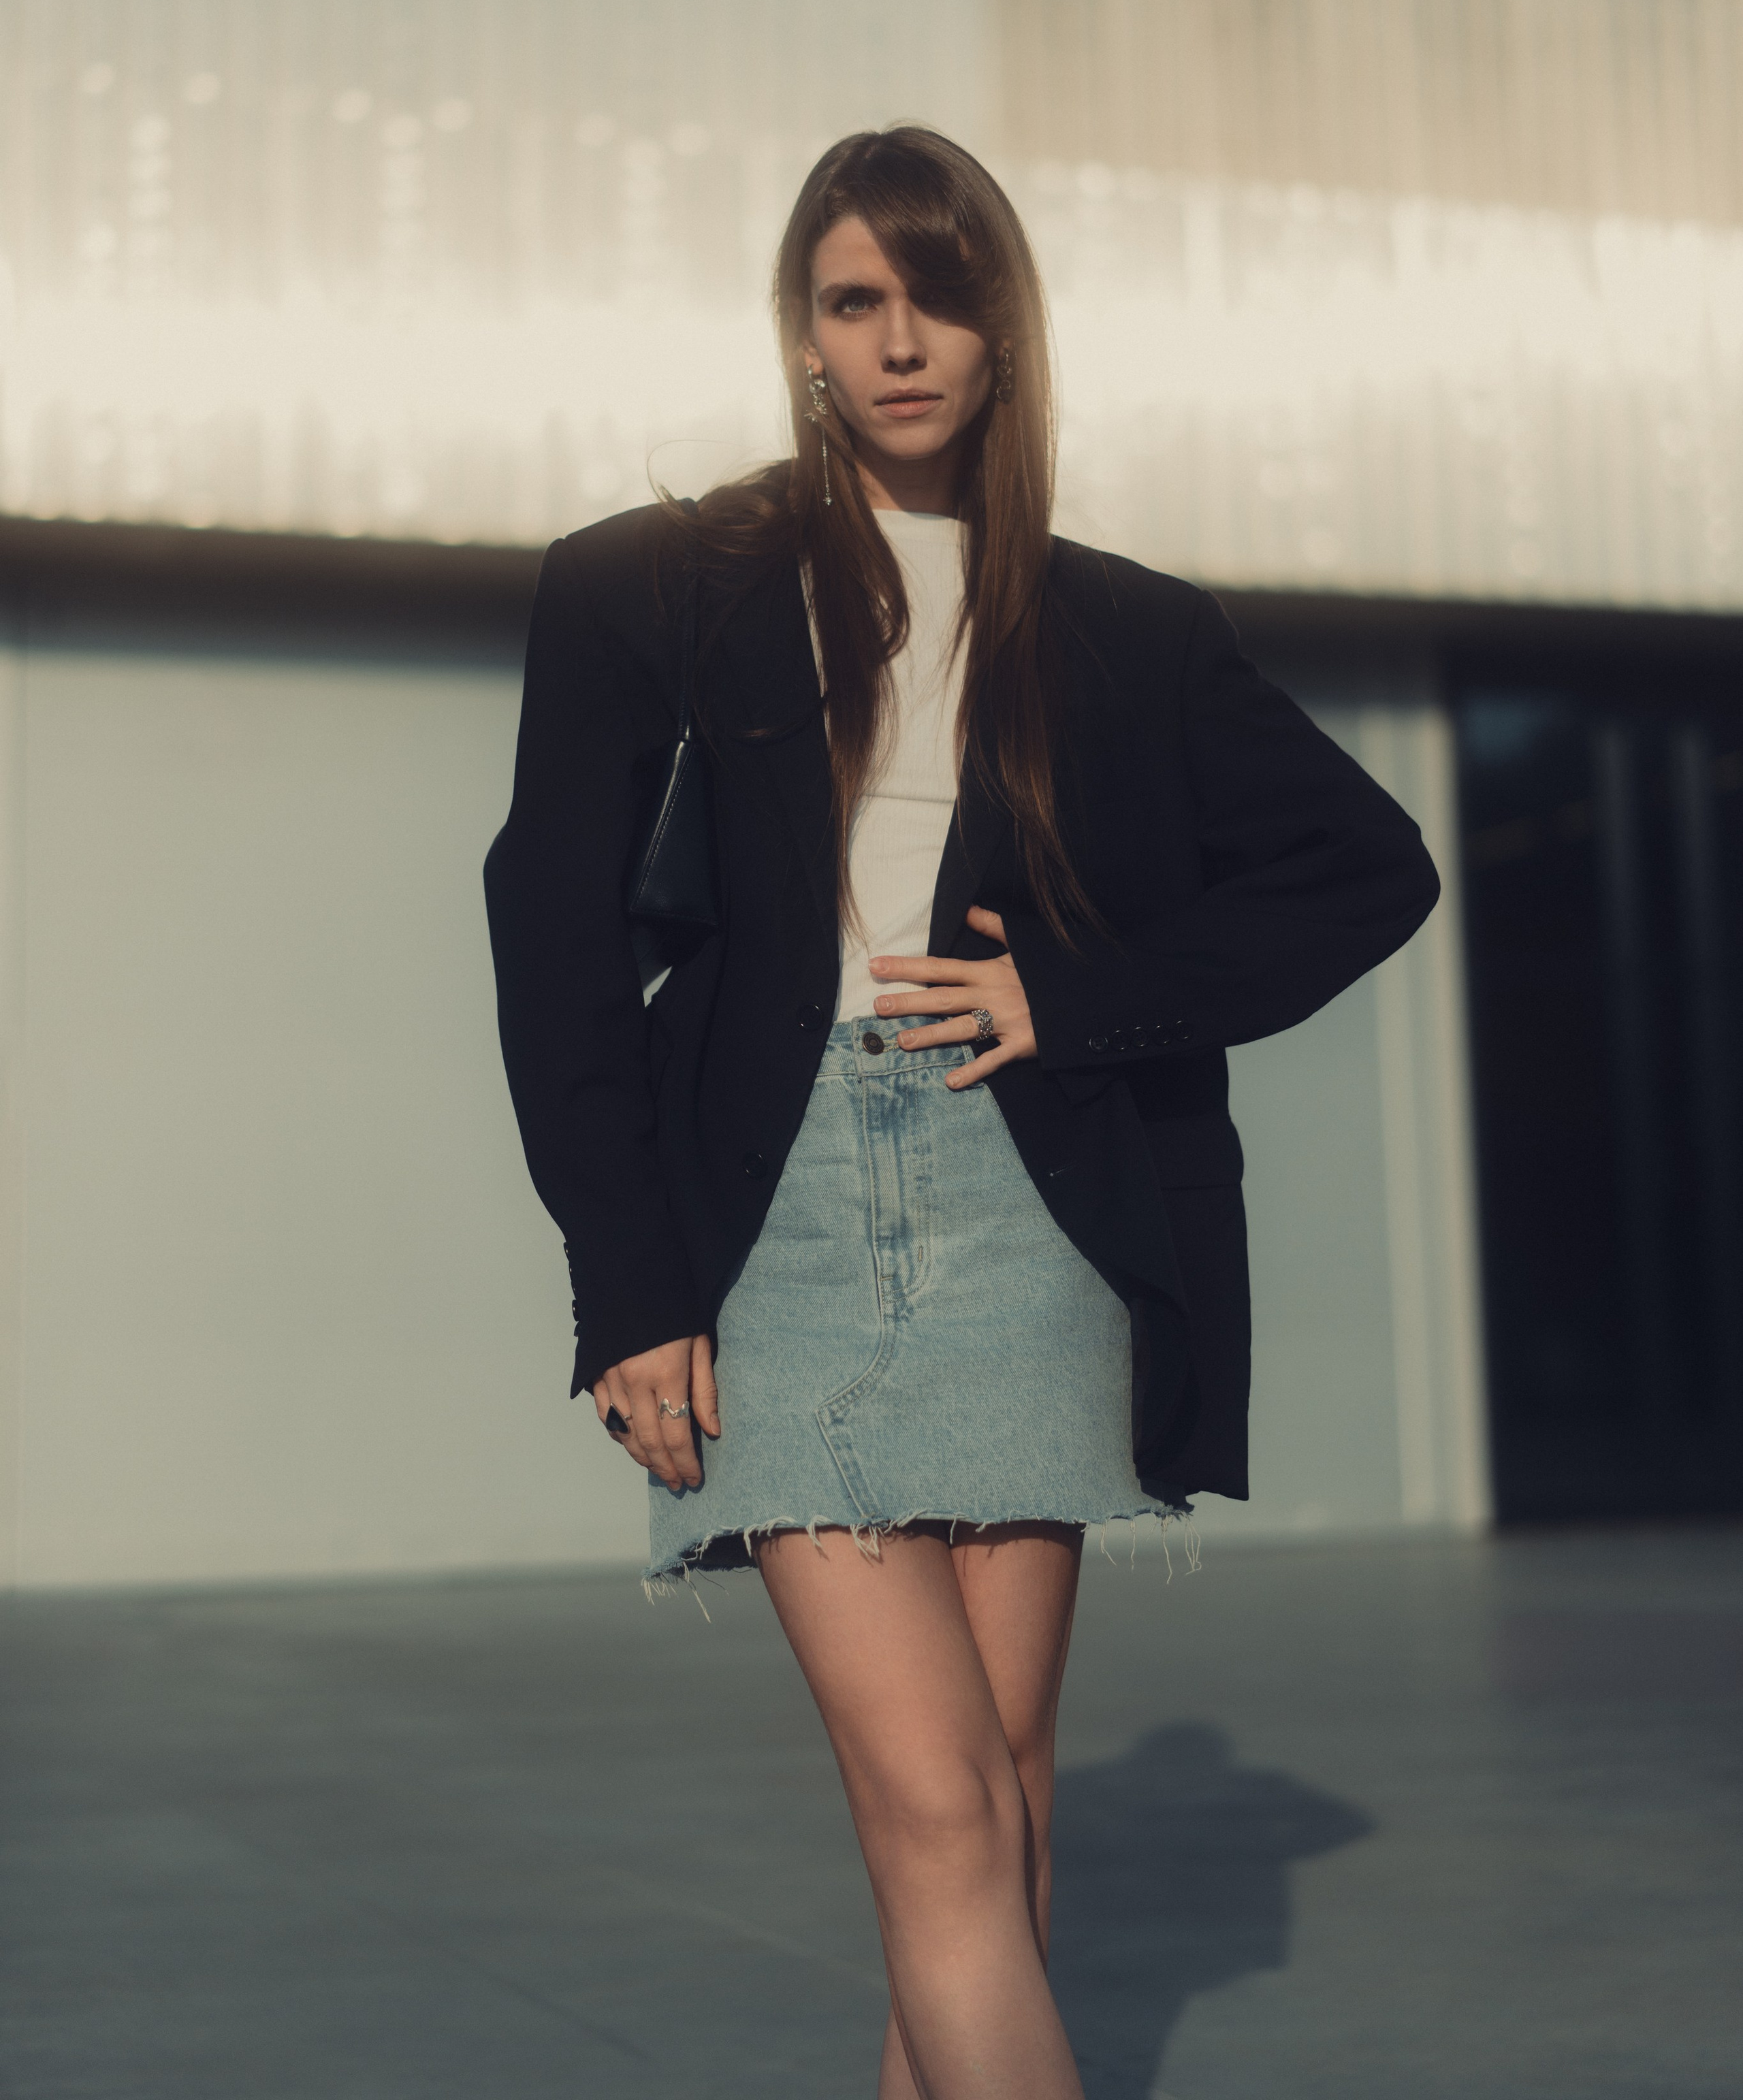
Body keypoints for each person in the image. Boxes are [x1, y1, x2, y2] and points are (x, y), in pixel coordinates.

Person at [484, 126, 1439, 2099]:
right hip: (777, 1223)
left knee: (999, 1797)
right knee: (936, 1805)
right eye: (857, 301)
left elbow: (1370, 866)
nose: (900, 342)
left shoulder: (1130, 630)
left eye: (942, 299)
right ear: (803, 333)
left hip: (1033, 1207)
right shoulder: (647, 589)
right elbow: (555, 947)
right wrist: (628, 1288)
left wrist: (1071, 999)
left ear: (1009, 331)